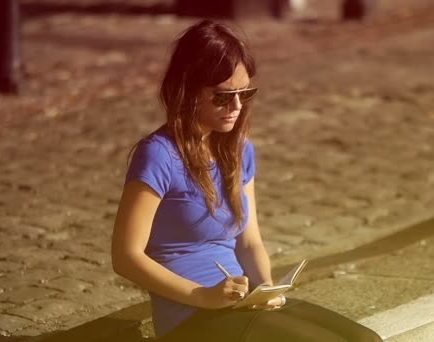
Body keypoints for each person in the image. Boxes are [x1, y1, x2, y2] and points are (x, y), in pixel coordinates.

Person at [111, 19, 383, 342]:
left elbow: (249, 242)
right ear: (188, 89)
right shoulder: (157, 155)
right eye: (223, 97)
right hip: (191, 316)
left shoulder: (238, 152)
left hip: (242, 304)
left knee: (367, 340)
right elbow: (125, 257)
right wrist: (202, 295)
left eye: (244, 93)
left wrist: (266, 288)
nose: (237, 107)